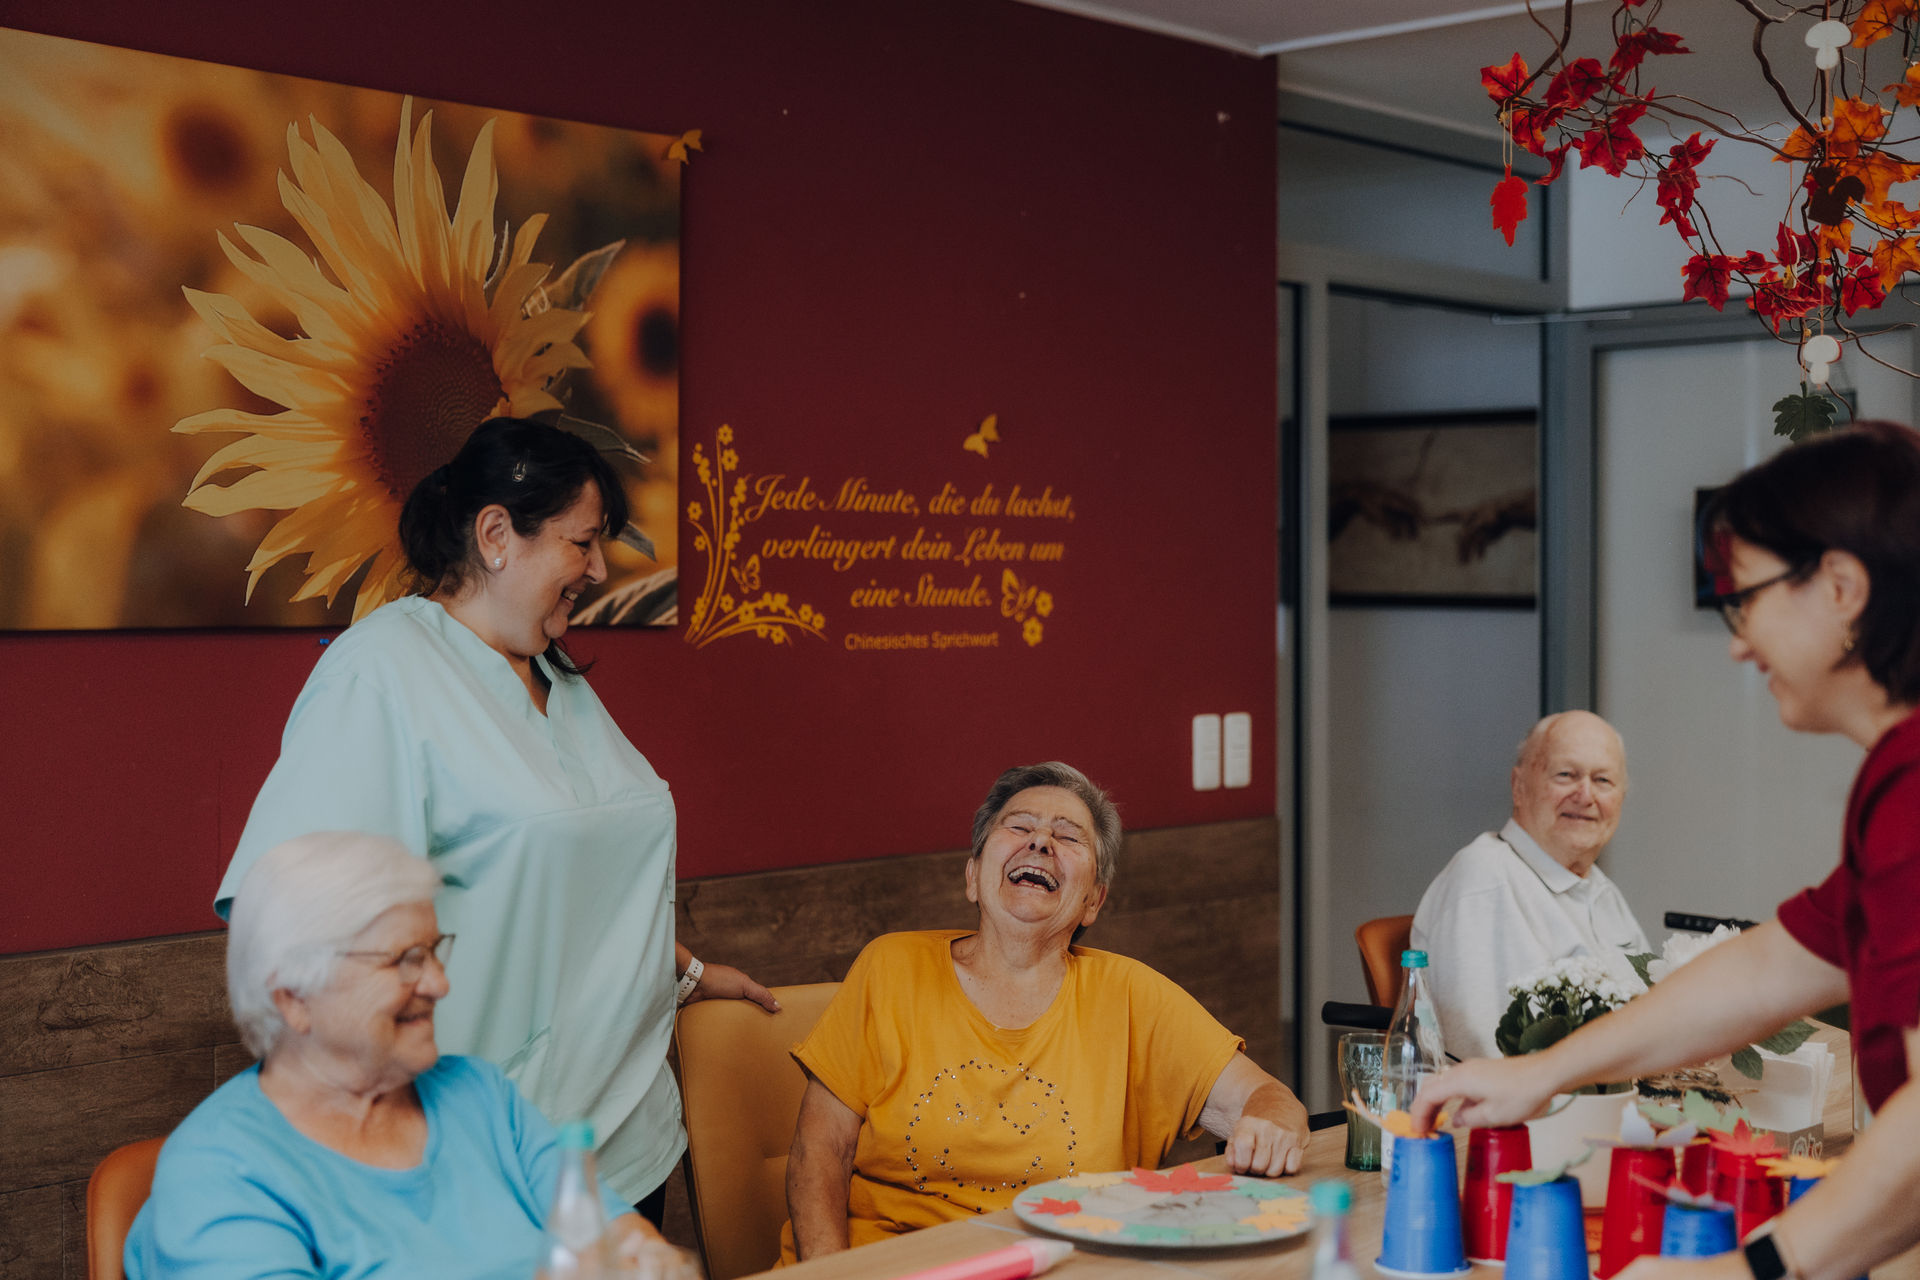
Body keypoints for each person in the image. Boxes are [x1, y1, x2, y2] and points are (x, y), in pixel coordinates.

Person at [214, 417, 775, 1220]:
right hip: (485, 1161)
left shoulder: (555, 677)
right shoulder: (380, 673)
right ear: (496, 535)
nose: (598, 568)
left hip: (627, 1144)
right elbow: (288, 922)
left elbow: (564, 879)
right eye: (583, 542)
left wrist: (680, 974)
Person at [1412, 420, 1920, 1280]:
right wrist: (1545, 1069)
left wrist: (1744, 1272)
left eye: (1746, 599)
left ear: (1841, 587)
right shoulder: (1895, 780)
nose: (1737, 641)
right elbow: (1771, 968)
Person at [782, 761, 1311, 1261]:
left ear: (1093, 901)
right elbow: (819, 1152)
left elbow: (1269, 1100)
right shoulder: (890, 968)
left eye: (1069, 836)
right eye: (1020, 826)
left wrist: (1270, 1125)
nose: (1040, 842)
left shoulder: (1132, 997)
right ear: (972, 876)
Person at [129, 832, 691, 1278]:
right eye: (403, 960)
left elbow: (609, 1230)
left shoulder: (480, 1095)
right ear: (294, 998)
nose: (440, 984)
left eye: (433, 950)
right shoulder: (218, 1174)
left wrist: (645, 1258)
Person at [1410, 710, 1650, 1059]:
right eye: (1566, 775)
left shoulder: (1600, 888)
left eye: (1603, 780)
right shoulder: (1486, 879)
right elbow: (1483, 1054)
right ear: (1519, 786)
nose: (1585, 796)